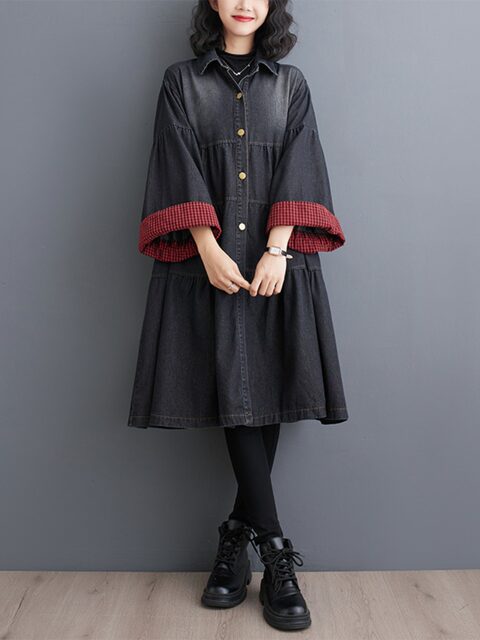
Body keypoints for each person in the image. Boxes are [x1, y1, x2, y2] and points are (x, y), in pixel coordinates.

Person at [127, 0, 349, 631]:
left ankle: (236, 538)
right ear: (212, 2)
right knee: (237, 389)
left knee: (266, 386)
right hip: (210, 262)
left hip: (277, 262)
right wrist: (206, 247)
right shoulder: (181, 81)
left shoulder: (292, 84)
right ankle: (274, 552)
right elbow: (174, 158)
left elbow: (303, 159)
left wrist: (278, 249)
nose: (245, 3)